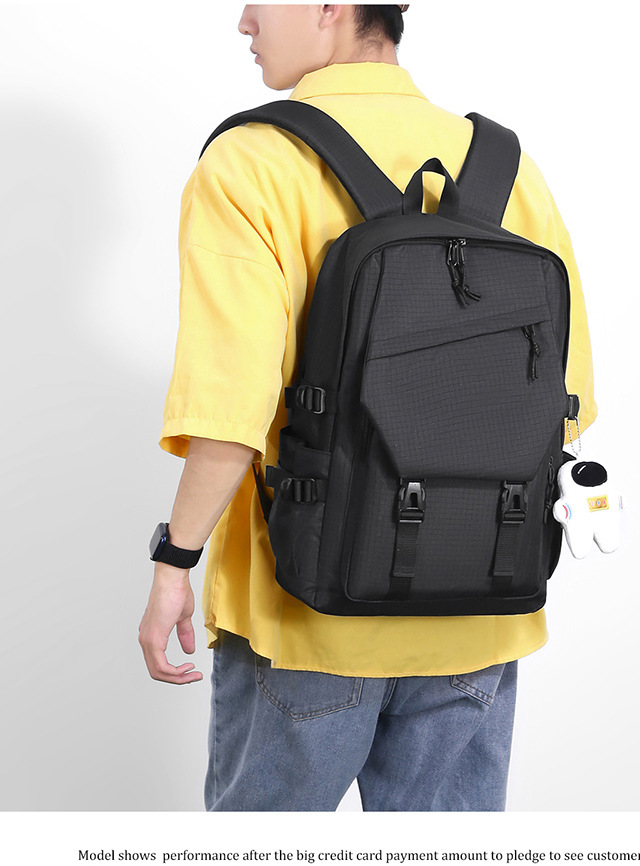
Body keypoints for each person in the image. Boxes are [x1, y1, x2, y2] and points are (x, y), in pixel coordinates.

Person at [138, 4, 596, 812]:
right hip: (479, 614)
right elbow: (567, 406)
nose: (244, 20)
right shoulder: (510, 171)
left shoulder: (253, 161)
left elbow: (229, 407)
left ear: (329, 7)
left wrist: (174, 560)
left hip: (305, 613)